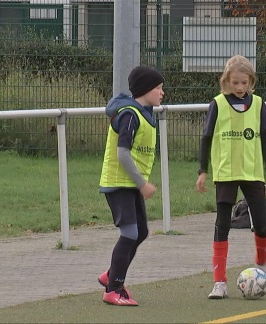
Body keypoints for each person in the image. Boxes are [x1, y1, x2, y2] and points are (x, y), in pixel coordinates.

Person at [195, 54, 266, 299]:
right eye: (235, 83)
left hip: (252, 174)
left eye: (244, 83)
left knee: (261, 226)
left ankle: (261, 267)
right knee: (223, 224)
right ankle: (219, 282)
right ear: (226, 82)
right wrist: (203, 171)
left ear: (251, 81)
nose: (240, 87)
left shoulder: (259, 104)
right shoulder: (217, 104)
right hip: (226, 173)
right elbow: (207, 138)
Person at [98, 66, 165, 306]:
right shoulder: (130, 114)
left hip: (130, 185)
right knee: (129, 233)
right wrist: (142, 184)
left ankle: (111, 274)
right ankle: (113, 289)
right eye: (158, 88)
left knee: (142, 232)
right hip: (119, 184)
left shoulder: (146, 114)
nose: (162, 92)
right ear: (146, 90)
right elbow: (123, 154)